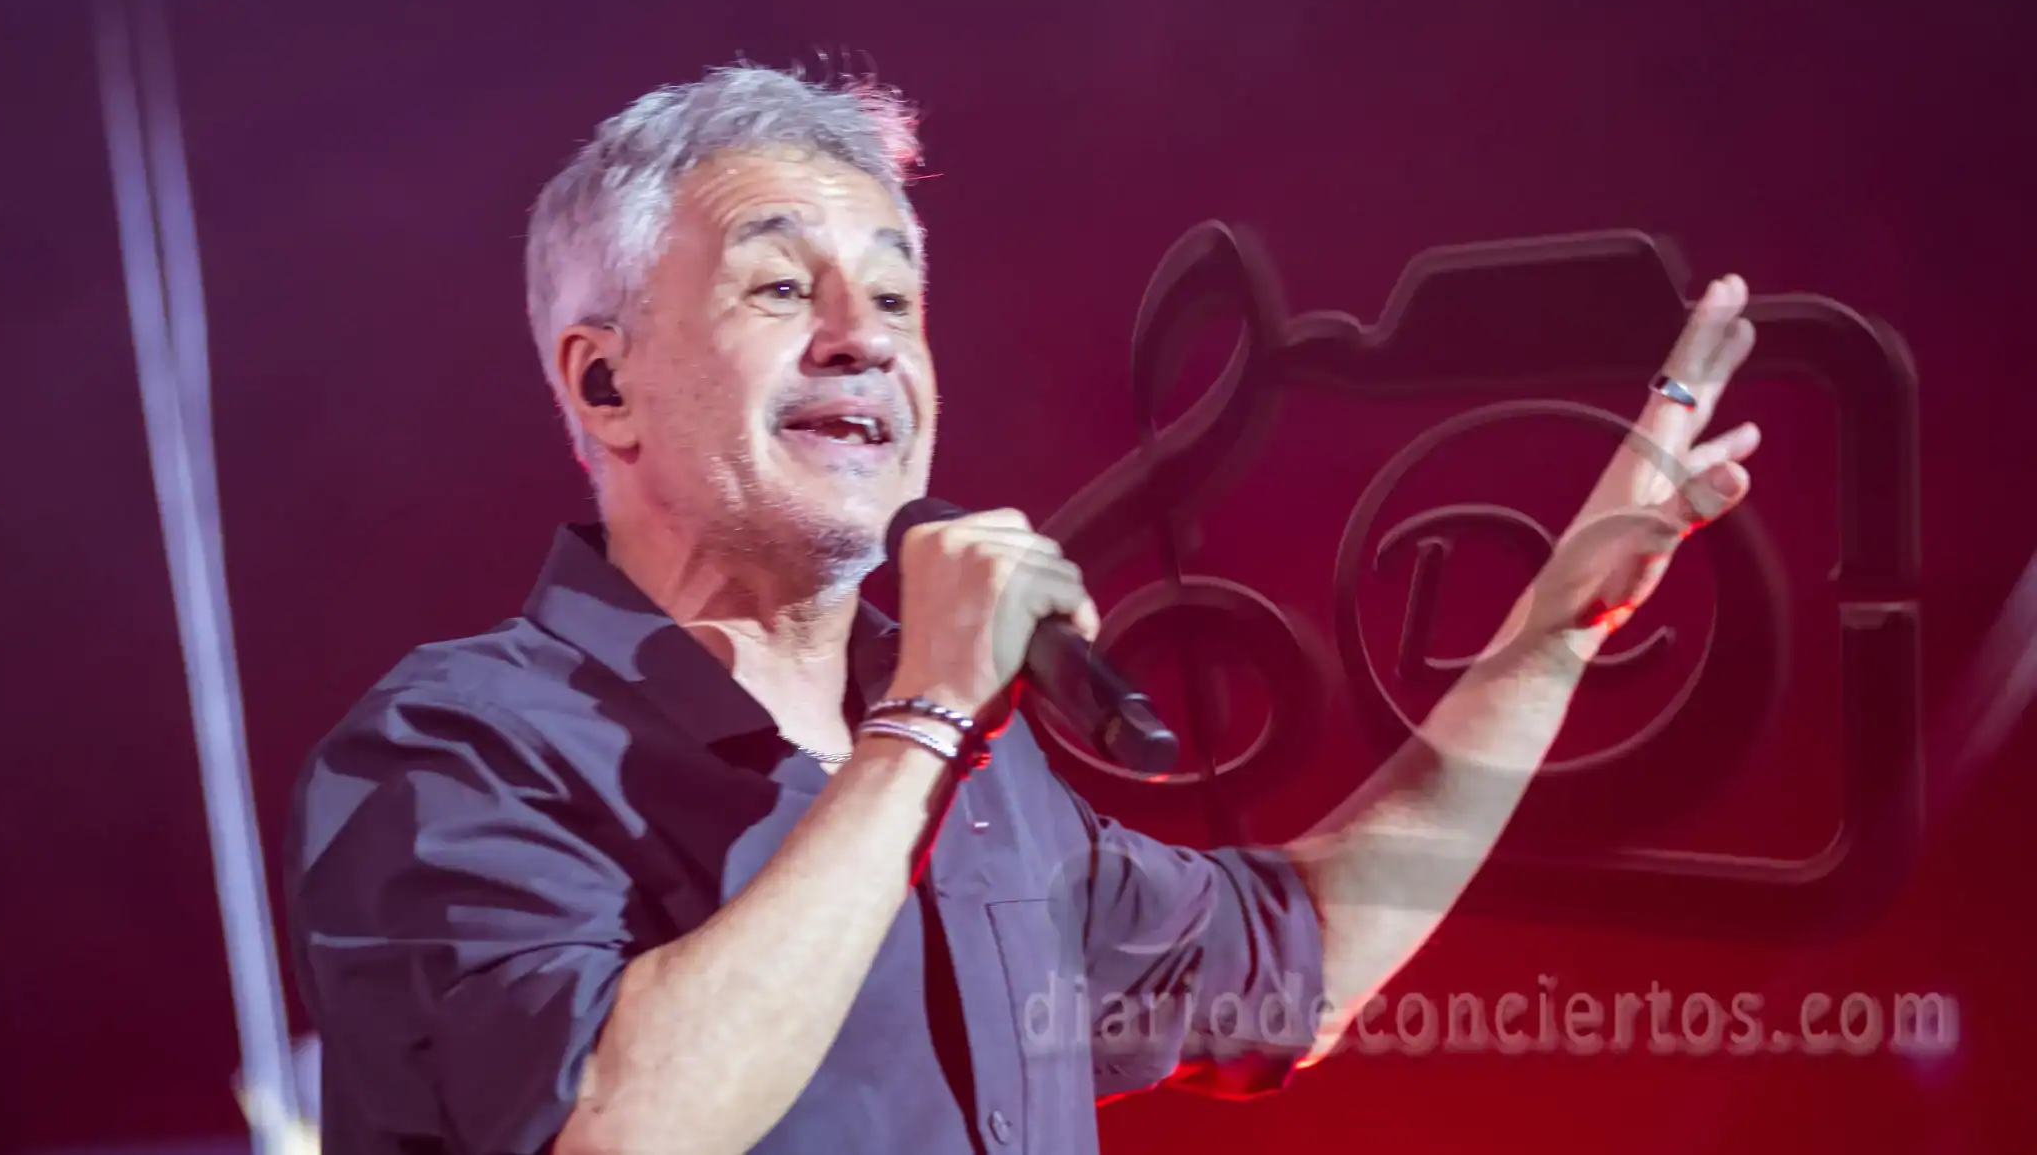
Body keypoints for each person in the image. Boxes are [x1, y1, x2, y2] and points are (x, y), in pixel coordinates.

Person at [284, 64, 1760, 1155]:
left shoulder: (984, 779)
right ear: (605, 382)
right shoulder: (459, 749)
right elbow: (612, 1127)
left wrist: (1550, 642)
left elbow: (1297, 964)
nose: (863, 339)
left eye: (895, 299)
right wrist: (927, 719)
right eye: (780, 288)